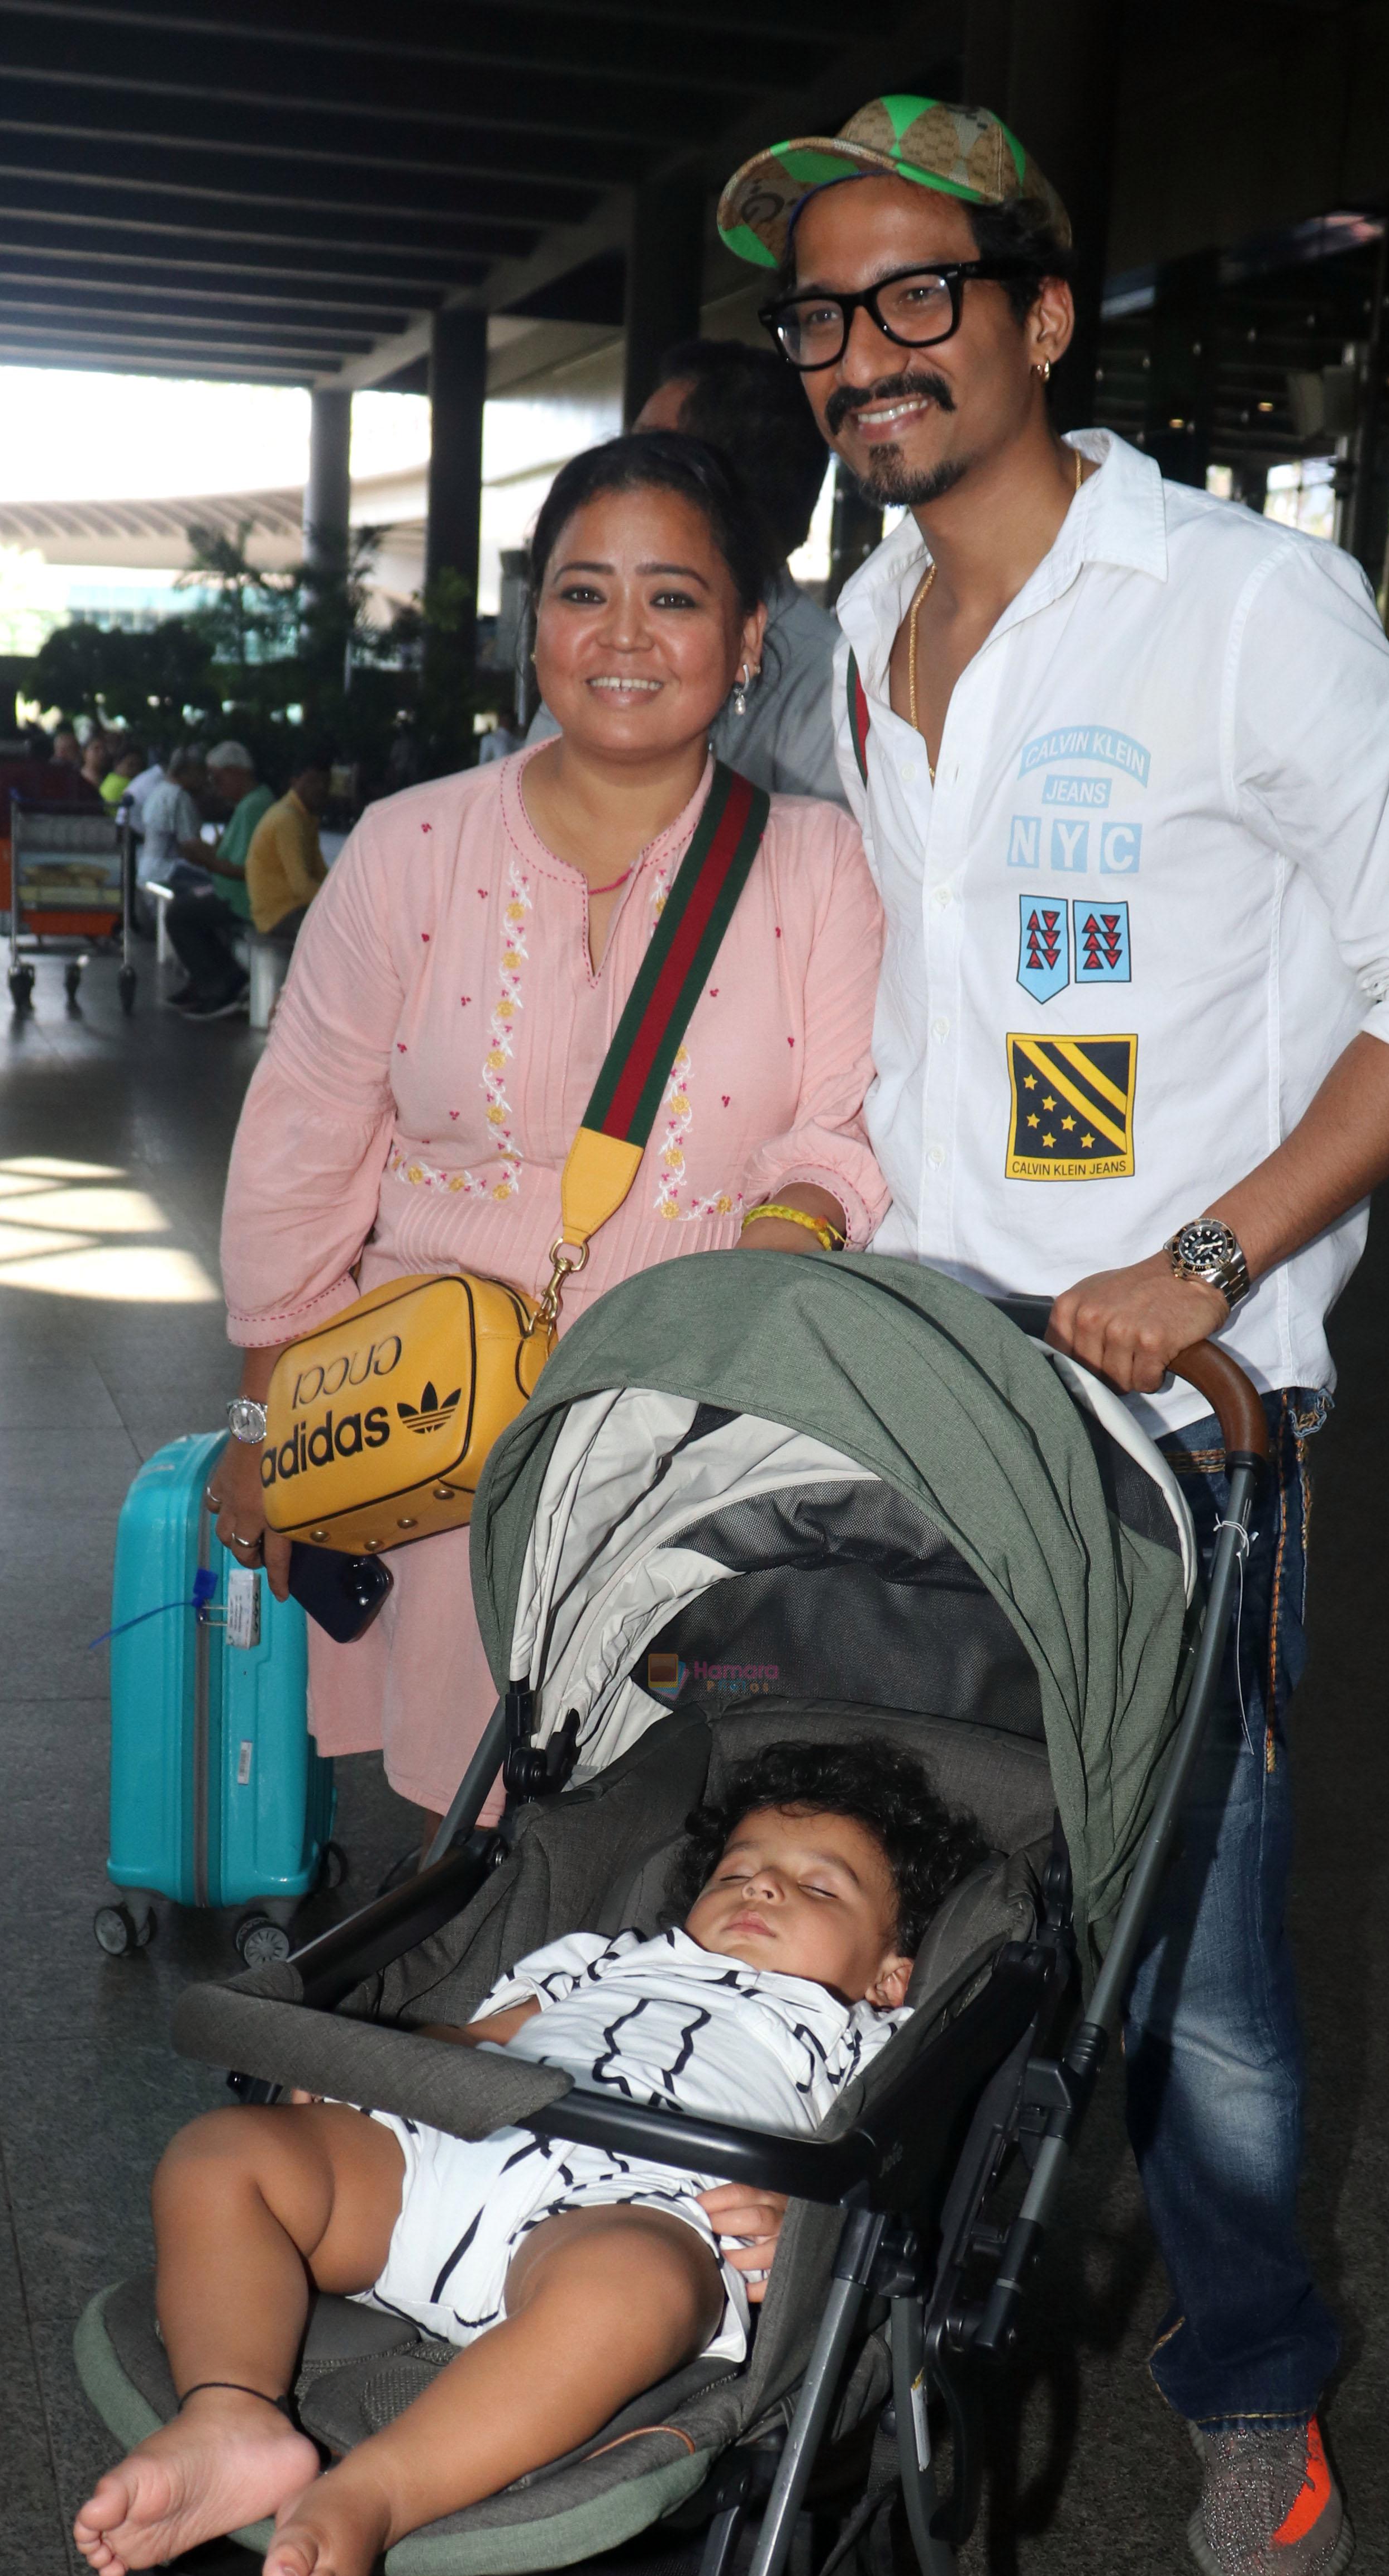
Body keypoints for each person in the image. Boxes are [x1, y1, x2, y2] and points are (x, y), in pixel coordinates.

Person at [718, 94, 1389, 2576]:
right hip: (919, 1391)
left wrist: (1206, 1249)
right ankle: (828, 2306)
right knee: (912, 1862)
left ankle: (1255, 2383)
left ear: (1037, 318)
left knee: (1192, 1965)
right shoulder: (854, 636)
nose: (863, 354)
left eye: (914, 298)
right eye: (818, 315)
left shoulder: (1231, 607)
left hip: (1175, 1422)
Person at [214, 430, 889, 1828]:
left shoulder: (819, 865)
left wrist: (759, 1276)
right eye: (585, 594)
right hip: (445, 1436)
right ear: (534, 627)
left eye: (675, 597)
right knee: (472, 1835)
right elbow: (303, 1150)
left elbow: (837, 1131)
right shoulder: (409, 849)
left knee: (676, 1832)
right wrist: (263, 1421)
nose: (624, 637)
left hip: (697, 1444)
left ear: (750, 633)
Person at [72, 1739, 983, 2576]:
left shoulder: (861, 2038)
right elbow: (468, 2036)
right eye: (740, 1870)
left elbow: (881, 2165)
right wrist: (356, 2073)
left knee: (635, 2293)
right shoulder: (604, 1959)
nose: (764, 1891)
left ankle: (373, 2494)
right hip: (451, 2150)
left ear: (889, 1973)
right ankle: (229, 2416)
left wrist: (806, 2228)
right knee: (225, 2155)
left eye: (818, 1890)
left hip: (634, 2209)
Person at [527, 336, 846, 806]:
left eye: (650, 450)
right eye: (582, 595)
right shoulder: (425, 836)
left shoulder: (832, 683)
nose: (624, 637)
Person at [160, 736, 272, 1018]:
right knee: (184, 904)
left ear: (236, 772)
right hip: (230, 891)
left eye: (218, 778)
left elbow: (248, 869)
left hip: (242, 898)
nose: (214, 786)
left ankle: (221, 983)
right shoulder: (250, 803)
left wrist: (207, 859)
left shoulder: (254, 807)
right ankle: (208, 980)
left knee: (180, 915)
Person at [237, 742, 334, 985]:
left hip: (284, 910)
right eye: (313, 782)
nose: (320, 789)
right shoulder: (288, 820)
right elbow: (302, 886)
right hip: (278, 915)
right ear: (295, 781)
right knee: (343, 933)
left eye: (325, 782)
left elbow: (321, 872)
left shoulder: (302, 816)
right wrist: (342, 901)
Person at [126, 743, 211, 931]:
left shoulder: (159, 791)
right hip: (167, 869)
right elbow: (191, 847)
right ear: (190, 771)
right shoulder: (179, 797)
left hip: (147, 868)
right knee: (214, 886)